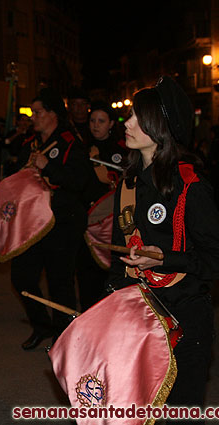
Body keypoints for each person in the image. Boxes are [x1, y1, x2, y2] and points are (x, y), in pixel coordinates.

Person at [107, 76, 219, 425]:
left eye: (136, 117)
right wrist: (106, 307)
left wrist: (165, 258)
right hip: (140, 316)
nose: (127, 123)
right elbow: (119, 261)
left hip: (185, 320)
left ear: (160, 127)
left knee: (181, 417)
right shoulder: (128, 185)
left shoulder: (191, 186)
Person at [11, 88, 91, 350]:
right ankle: (42, 324)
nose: (33, 117)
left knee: (60, 282)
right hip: (33, 222)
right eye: (32, 112)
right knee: (22, 277)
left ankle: (64, 337)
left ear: (53, 114)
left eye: (38, 112)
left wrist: (49, 167)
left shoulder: (70, 142)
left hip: (63, 223)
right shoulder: (29, 144)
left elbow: (79, 182)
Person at [76, 101, 129, 310]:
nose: (95, 125)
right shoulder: (82, 148)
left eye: (101, 121)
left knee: (110, 273)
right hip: (86, 221)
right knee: (86, 274)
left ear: (111, 124)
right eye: (92, 121)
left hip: (110, 221)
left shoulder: (122, 149)